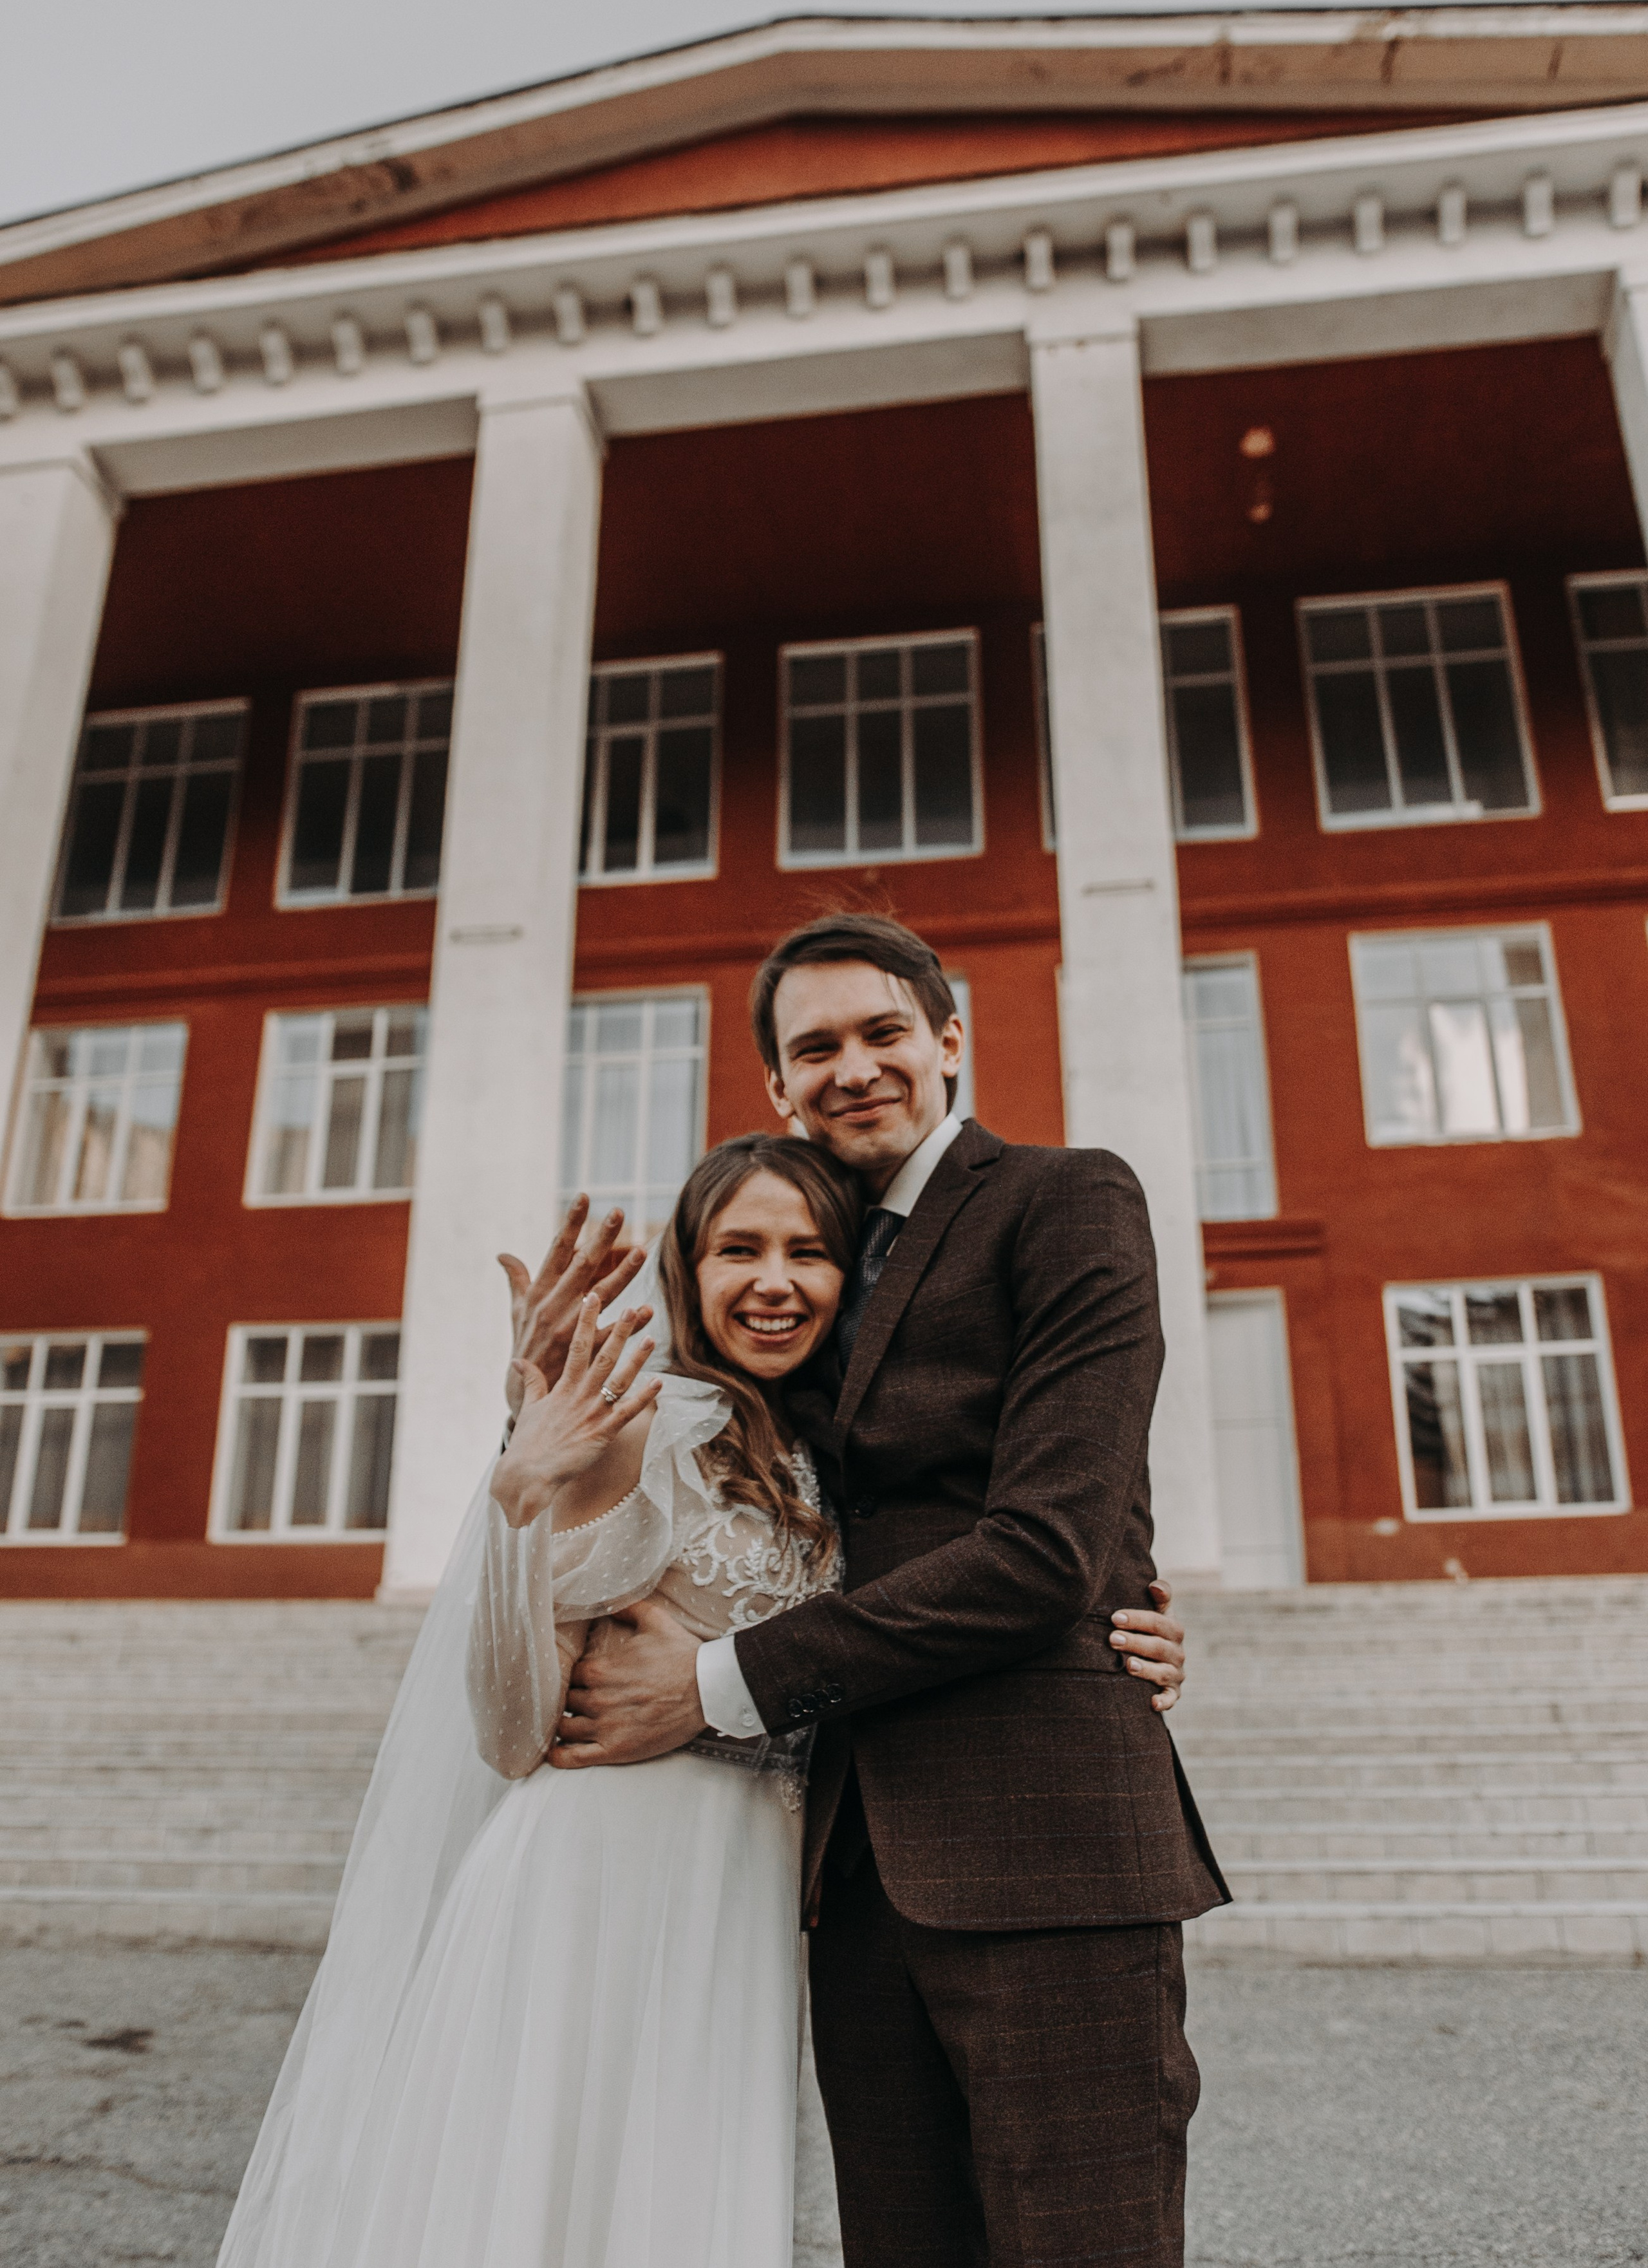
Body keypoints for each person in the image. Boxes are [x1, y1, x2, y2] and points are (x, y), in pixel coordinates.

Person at [216, 1121, 1185, 2267]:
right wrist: (521, 1492)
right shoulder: (642, 1424)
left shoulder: (825, 1448)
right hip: (604, 1878)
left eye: (808, 1252)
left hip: (752, 1886)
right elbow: (513, 1726)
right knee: (561, 2201)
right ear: (689, 1269)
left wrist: (1118, 1620)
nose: (774, 1282)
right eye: (738, 1250)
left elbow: (986, 1549)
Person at [539, 914, 1226, 2268]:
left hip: (1041, 1837)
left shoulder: (1064, 1198)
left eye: (882, 1033)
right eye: (815, 1048)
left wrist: (709, 1689)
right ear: (775, 1087)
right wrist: (541, 1409)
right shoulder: (801, 1267)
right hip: (850, 1864)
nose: (851, 1067)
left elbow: (1044, 1546)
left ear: (948, 1043)